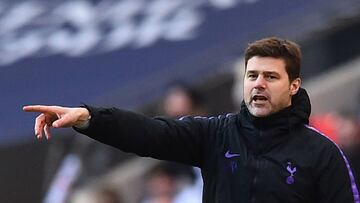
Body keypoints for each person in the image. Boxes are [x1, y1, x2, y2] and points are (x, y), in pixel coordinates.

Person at [23, 37, 359, 202]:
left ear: (294, 86)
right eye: (252, 75)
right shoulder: (216, 134)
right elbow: (149, 133)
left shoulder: (322, 153)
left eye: (270, 77)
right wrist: (89, 118)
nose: (258, 83)